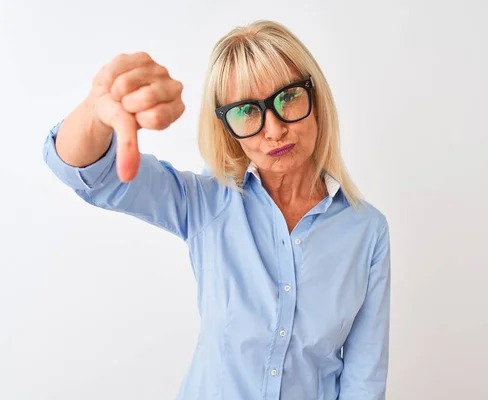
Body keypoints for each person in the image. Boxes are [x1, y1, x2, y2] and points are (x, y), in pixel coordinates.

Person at [43, 19, 391, 400]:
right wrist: (96, 109)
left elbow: (363, 379)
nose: (273, 129)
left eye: (288, 97)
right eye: (246, 111)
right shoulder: (207, 202)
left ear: (315, 99)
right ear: (227, 128)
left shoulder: (366, 231)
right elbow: (89, 173)